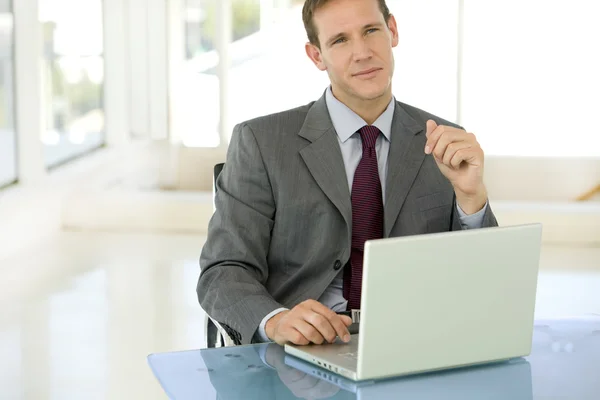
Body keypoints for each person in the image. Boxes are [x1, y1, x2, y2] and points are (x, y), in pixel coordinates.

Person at [198, 0, 498, 347]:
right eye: (340, 40)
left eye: (371, 31)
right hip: (300, 351)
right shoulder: (262, 143)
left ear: (393, 31)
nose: (362, 53)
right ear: (316, 56)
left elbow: (484, 282)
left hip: (412, 343)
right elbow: (222, 270)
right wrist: (276, 321)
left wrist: (471, 198)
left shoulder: (444, 141)